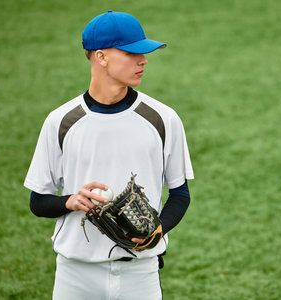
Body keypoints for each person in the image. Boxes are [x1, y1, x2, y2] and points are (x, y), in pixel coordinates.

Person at [24, 10, 194, 300]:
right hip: (75, 277)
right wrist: (71, 201)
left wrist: (157, 231)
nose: (143, 60)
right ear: (101, 57)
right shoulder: (61, 121)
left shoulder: (163, 119)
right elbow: (38, 202)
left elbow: (180, 194)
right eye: (131, 53)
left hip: (140, 276)